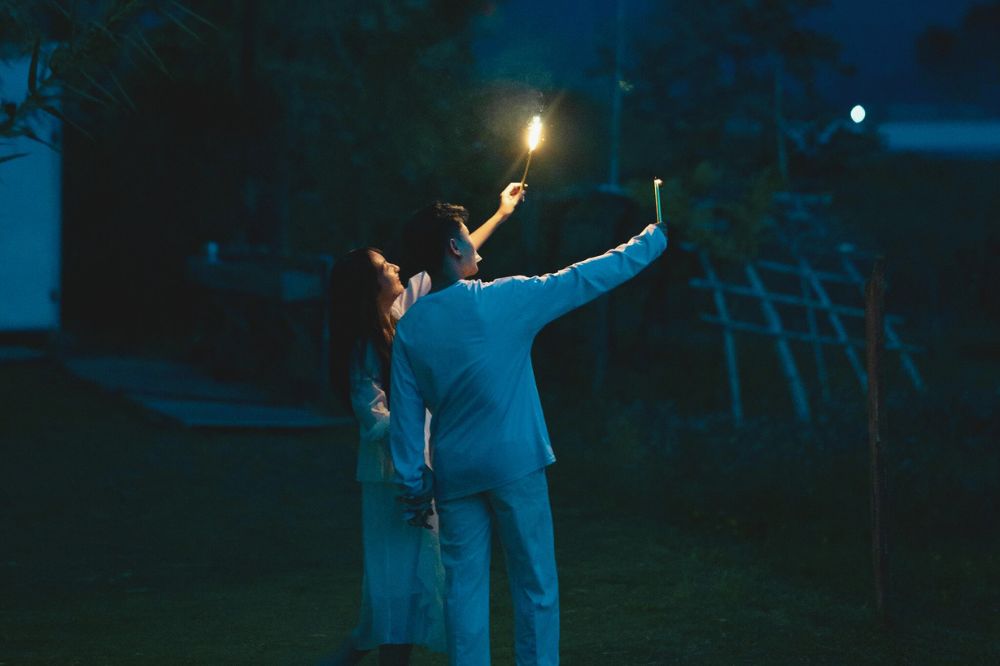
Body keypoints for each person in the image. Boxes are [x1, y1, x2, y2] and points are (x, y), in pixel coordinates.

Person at [389, 207, 667, 665]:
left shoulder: (411, 328)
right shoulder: (503, 299)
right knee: (535, 582)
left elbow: (405, 414)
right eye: (467, 234)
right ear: (454, 247)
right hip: (514, 462)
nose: (474, 244)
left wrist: (413, 482)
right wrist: (651, 242)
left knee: (463, 591)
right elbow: (581, 279)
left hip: (455, 473)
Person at [322, 183, 525, 666]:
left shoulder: (399, 316)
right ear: (370, 287)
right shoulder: (364, 347)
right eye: (384, 267)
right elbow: (374, 419)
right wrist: (413, 448)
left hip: (418, 468)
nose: (395, 267)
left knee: (414, 584)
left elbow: (449, 257)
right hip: (390, 478)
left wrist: (502, 213)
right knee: (396, 586)